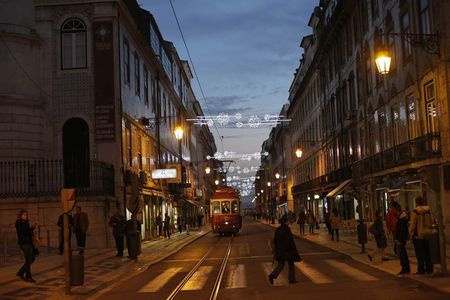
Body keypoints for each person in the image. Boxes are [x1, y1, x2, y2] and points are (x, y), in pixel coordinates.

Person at [268, 215, 301, 285]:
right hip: (287, 251)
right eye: (288, 221)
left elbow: (275, 240)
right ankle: (292, 279)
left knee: (281, 265)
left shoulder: (278, 229)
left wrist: (276, 250)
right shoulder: (287, 229)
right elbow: (289, 241)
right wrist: (292, 250)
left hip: (280, 251)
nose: (289, 222)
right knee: (291, 264)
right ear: (286, 222)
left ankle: (272, 275)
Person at [409, 196, 434, 274]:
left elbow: (413, 224)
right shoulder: (429, 210)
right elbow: (432, 221)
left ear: (416, 203)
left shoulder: (415, 211)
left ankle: (421, 269)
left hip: (418, 235)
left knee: (420, 253)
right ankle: (429, 269)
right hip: (428, 234)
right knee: (428, 252)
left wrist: (410, 232)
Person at [15, 209, 37, 283]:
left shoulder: (26, 222)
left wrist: (32, 228)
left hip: (29, 243)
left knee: (32, 258)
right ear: (21, 215)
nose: (26, 216)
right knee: (28, 260)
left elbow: (29, 233)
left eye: (26, 215)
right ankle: (28, 277)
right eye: (24, 215)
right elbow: (25, 232)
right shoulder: (19, 222)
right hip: (24, 243)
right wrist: (30, 229)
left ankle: (20, 272)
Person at [394, 203, 410, 275]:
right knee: (402, 254)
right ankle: (405, 268)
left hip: (401, 239)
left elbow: (401, 230)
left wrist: (399, 239)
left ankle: (405, 268)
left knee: (402, 254)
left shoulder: (402, 218)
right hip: (401, 238)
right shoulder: (402, 217)